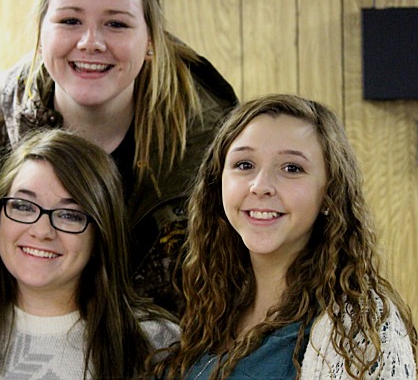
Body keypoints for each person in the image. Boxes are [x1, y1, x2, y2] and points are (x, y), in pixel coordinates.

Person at [0, 0, 238, 316]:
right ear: (40, 35)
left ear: (151, 40)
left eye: (116, 24)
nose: (91, 42)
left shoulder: (217, 141)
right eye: (70, 21)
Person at [152, 94, 418, 379]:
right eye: (245, 164)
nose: (260, 186)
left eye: (292, 168)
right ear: (218, 181)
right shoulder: (211, 307)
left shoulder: (358, 325)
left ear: (330, 193)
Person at [0, 128, 180, 379]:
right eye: (23, 206)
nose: (41, 231)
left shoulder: (157, 344)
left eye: (69, 215)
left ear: (101, 233)